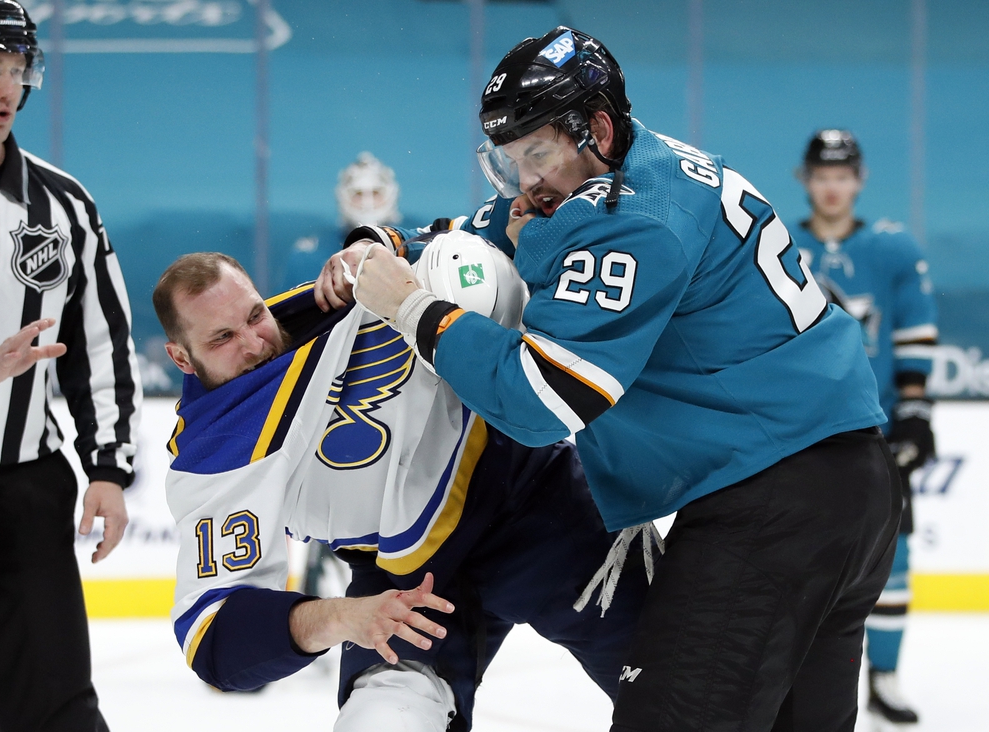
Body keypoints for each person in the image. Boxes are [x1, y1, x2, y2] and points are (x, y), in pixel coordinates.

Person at [338, 26, 902, 732]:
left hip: (771, 508)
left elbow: (543, 399)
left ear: (597, 128)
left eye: (537, 154)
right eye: (511, 161)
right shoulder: (652, 166)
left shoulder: (633, 220)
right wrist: (387, 242)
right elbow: (501, 220)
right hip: (845, 490)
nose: (527, 183)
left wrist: (413, 307)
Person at [154, 239, 649, 732]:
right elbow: (213, 638)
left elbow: (457, 247)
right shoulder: (211, 460)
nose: (255, 342)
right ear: (181, 358)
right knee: (382, 721)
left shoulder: (334, 298)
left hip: (536, 505)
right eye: (222, 338)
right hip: (402, 585)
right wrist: (346, 618)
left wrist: (380, 244)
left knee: (684, 691)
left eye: (255, 315)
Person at [0, 2, 142, 731]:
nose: (7, 90)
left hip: (19, 493)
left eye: (15, 70)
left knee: (58, 714)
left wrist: (108, 467)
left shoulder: (62, 205)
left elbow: (100, 343)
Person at [791, 129, 937, 728]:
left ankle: (885, 676)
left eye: (843, 176)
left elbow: (915, 332)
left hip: (872, 429)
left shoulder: (894, 249)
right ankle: (797, 674)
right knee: (796, 555)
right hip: (799, 429)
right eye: (822, 176)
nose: (832, 187)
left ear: (860, 181)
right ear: (806, 179)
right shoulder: (778, 242)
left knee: (893, 552)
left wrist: (915, 409)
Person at [281, 151, 403, 291]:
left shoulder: (413, 246)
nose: (367, 203)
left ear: (391, 195)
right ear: (342, 196)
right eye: (358, 194)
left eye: (376, 193)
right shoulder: (307, 256)